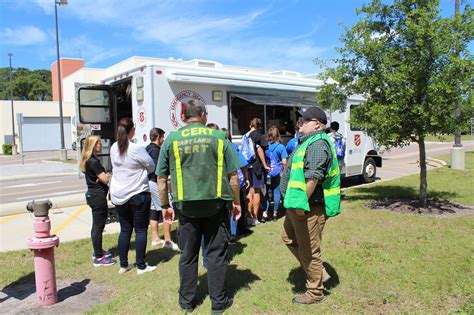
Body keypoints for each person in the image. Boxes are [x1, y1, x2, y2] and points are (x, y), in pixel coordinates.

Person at [156, 100, 242, 313]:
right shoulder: (219, 137)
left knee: (188, 256)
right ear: (203, 115)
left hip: (186, 208)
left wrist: (165, 205)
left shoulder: (171, 140)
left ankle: (186, 303)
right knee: (215, 255)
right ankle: (218, 304)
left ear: (184, 117)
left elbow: (161, 177)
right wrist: (236, 202)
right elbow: (234, 177)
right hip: (216, 206)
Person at [280, 106, 341, 304]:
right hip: (297, 205)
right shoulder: (307, 142)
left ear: (316, 124)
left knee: (309, 250)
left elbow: (312, 179)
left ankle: (315, 291)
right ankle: (319, 272)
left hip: (308, 207)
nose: (299, 124)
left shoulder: (317, 144)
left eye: (304, 121)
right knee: (288, 237)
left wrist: (301, 203)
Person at [110, 118, 157, 275]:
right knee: (141, 230)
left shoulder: (113, 148)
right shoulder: (136, 148)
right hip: (137, 193)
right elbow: (151, 166)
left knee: (125, 230)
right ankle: (141, 266)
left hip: (119, 194)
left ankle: (123, 265)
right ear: (131, 130)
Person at [80, 135, 116, 267]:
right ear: (93, 146)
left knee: (98, 226)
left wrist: (102, 177)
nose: (101, 145)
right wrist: (106, 176)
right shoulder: (93, 162)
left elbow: (102, 178)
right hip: (97, 196)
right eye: (99, 143)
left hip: (94, 195)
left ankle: (98, 251)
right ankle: (98, 257)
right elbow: (106, 179)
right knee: (98, 226)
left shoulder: (89, 160)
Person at [146, 127, 179, 251]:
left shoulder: (147, 148)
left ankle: (155, 238)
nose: (163, 140)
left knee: (154, 209)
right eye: (162, 137)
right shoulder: (155, 151)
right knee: (167, 208)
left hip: (150, 182)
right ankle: (168, 241)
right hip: (156, 183)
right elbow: (158, 170)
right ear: (158, 137)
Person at [244, 118, 270, 226]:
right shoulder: (259, 136)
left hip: (247, 166)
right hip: (257, 167)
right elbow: (259, 150)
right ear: (259, 126)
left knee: (249, 191)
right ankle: (255, 218)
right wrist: (265, 165)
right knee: (257, 191)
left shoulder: (245, 135)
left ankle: (248, 217)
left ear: (250, 125)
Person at [262, 127, 288, 222]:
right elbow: (284, 162)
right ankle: (275, 214)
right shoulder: (281, 147)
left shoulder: (265, 147)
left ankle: (265, 212)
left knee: (268, 192)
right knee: (276, 192)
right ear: (277, 135)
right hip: (277, 172)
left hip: (268, 172)